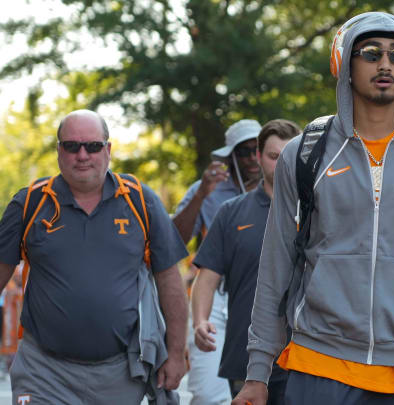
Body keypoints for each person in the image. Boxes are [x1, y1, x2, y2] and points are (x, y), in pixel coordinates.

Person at [234, 12, 394, 405]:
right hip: (319, 362)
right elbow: (276, 266)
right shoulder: (306, 152)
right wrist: (258, 371)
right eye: (370, 53)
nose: (385, 63)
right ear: (346, 66)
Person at [0, 110, 188, 404]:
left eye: (93, 146)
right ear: (59, 151)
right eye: (72, 146)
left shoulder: (139, 199)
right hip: (43, 371)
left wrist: (176, 354)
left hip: (119, 373)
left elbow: (169, 280)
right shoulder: (30, 203)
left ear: (108, 150)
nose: (83, 155)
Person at [191, 119, 299, 403]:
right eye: (274, 156)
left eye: (289, 156)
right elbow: (207, 277)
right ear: (260, 158)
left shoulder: (320, 210)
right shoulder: (231, 213)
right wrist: (200, 321)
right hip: (246, 357)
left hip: (305, 358)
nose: (282, 164)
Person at [173, 119, 262, 405]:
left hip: (263, 295)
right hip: (215, 297)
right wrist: (201, 195)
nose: (251, 158)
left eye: (257, 149)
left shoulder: (282, 186)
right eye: (243, 151)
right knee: (208, 392)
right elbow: (172, 241)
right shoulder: (207, 189)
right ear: (231, 156)